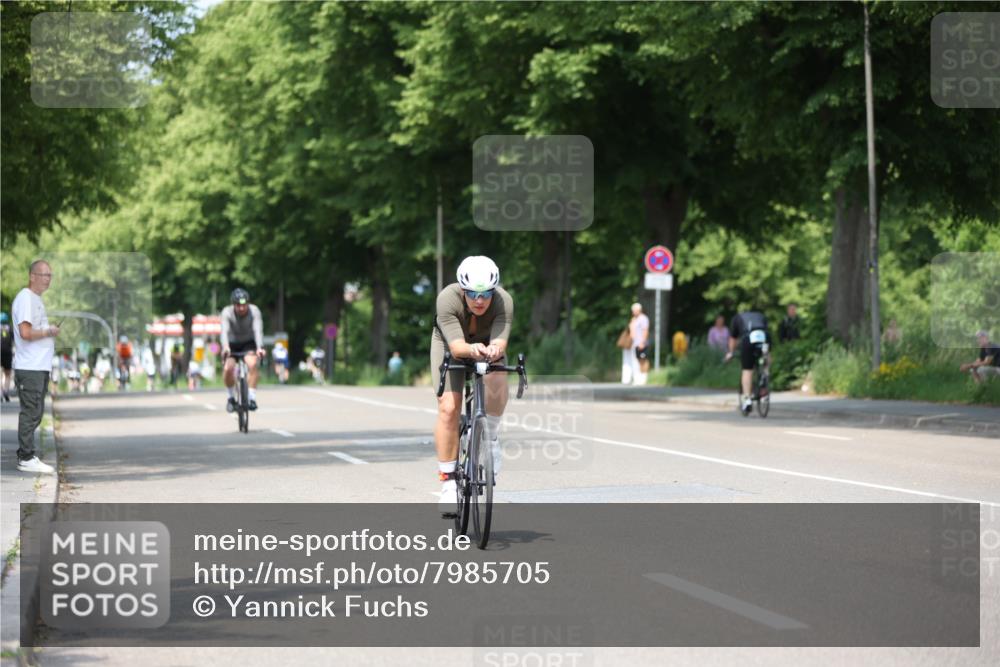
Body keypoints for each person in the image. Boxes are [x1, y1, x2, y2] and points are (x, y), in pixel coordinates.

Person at [431, 256, 512, 515]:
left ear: (494, 291)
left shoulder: (504, 301)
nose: (480, 300)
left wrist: (492, 350)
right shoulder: (447, 299)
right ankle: (448, 482)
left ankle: (490, 438)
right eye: (473, 294)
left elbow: (500, 344)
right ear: (462, 290)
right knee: (449, 408)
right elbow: (456, 347)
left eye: (486, 293)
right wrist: (470, 348)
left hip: (488, 346)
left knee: (498, 378)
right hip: (451, 345)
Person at [10, 260, 58, 474]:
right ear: (32, 276)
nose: (47, 279)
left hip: (38, 366)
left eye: (50, 275)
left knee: (36, 412)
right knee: (31, 412)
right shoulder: (26, 299)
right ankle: (26, 457)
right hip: (29, 367)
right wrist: (48, 332)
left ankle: (27, 455)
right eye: (43, 274)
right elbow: (26, 333)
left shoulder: (35, 300)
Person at [221, 288, 265, 411]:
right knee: (228, 368)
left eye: (244, 305)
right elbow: (224, 331)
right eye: (238, 305)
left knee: (252, 364)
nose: (241, 308)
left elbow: (258, 330)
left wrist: (259, 347)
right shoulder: (226, 312)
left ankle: (251, 398)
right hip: (231, 344)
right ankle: (230, 398)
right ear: (233, 304)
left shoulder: (254, 311)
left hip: (248, 343)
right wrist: (225, 347)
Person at [725, 309, 771, 415]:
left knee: (747, 370)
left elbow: (733, 338)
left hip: (749, 338)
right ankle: (765, 376)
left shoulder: (737, 318)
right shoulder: (760, 315)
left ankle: (747, 399)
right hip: (764, 336)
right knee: (766, 356)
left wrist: (730, 352)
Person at [621, 303, 649, 385]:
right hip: (632, 344)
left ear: (638, 310)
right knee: (633, 361)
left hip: (639, 343)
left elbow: (645, 331)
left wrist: (642, 342)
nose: (632, 312)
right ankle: (634, 378)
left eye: (634, 310)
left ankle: (642, 378)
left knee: (641, 360)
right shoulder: (634, 319)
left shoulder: (643, 319)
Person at [2, 312, 14, 401]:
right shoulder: (10, 329)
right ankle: (6, 390)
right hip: (7, 353)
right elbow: (14, 341)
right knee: (8, 374)